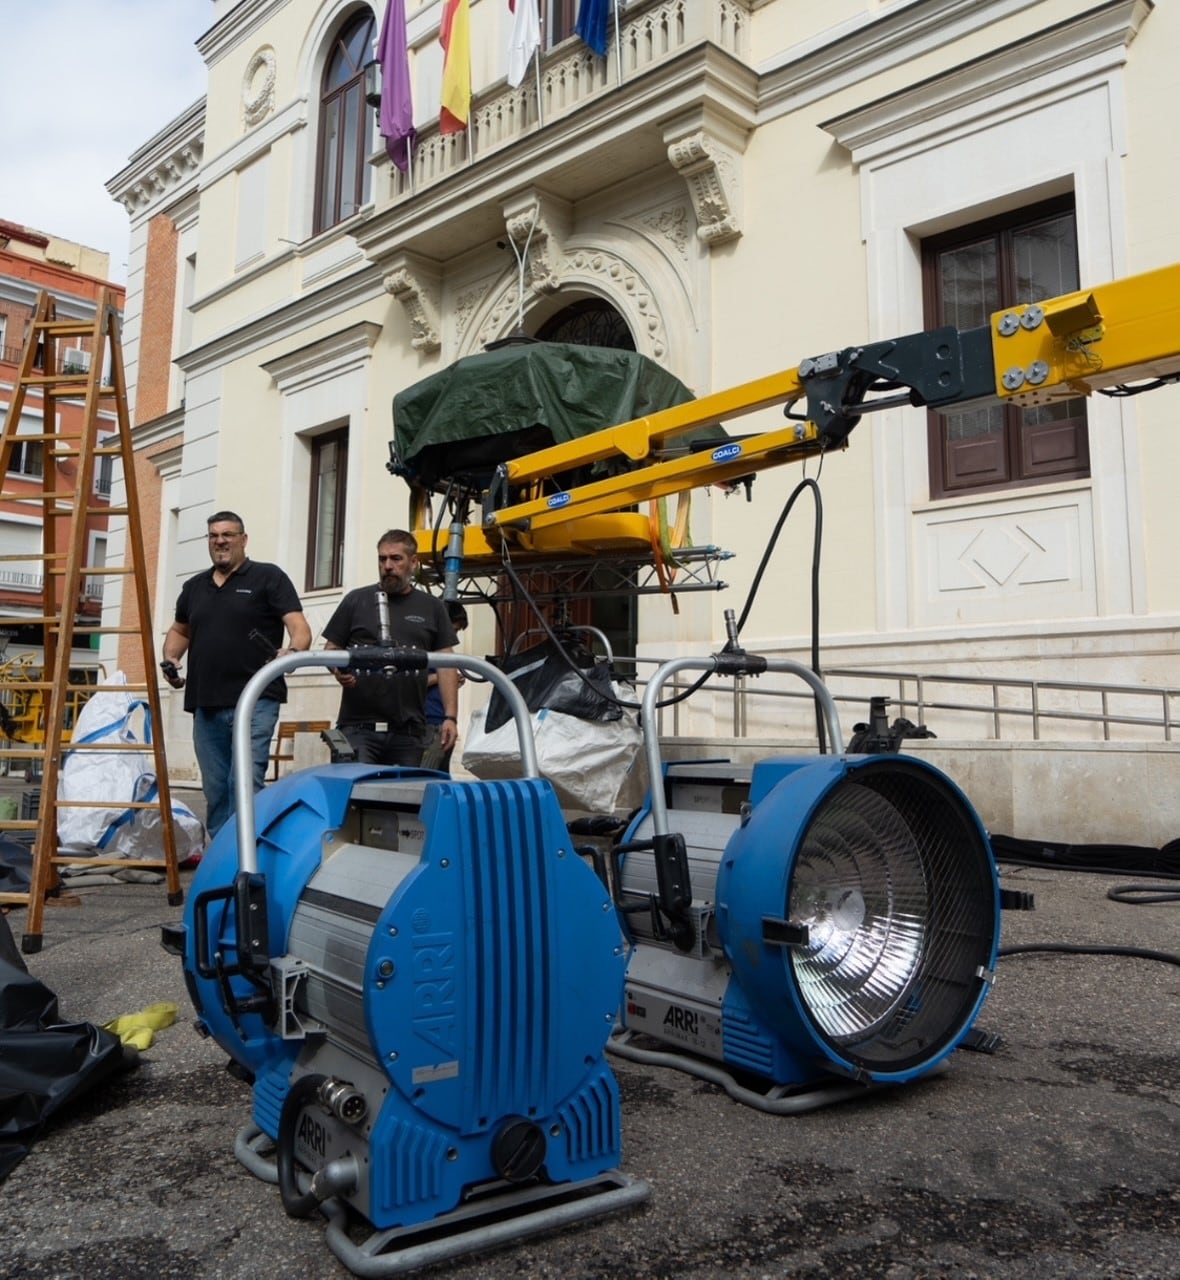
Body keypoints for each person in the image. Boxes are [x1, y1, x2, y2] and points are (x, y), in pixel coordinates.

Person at [161, 511, 311, 837]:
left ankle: (249, 855)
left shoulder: (268, 577)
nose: (220, 541)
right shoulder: (194, 587)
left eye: (228, 535)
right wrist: (170, 658)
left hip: (256, 698)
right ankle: (222, 856)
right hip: (205, 701)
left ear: (243, 539)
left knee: (244, 781)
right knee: (215, 788)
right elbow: (180, 631)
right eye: (214, 536)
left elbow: (299, 628)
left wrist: (294, 651)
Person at [322, 530, 460, 766]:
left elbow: (446, 663)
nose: (387, 565)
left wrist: (450, 717)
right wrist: (338, 671)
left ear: (414, 563)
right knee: (355, 796)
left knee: (409, 798)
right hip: (358, 729)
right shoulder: (356, 600)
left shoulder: (432, 607)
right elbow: (330, 649)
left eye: (396, 559)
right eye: (382, 559)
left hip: (410, 731)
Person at [421, 602, 468, 772]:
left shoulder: (444, 652)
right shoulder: (423, 649)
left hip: (442, 721)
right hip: (428, 722)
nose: (454, 637)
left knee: (439, 776)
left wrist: (452, 682)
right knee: (427, 777)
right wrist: (444, 678)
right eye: (453, 630)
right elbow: (414, 682)